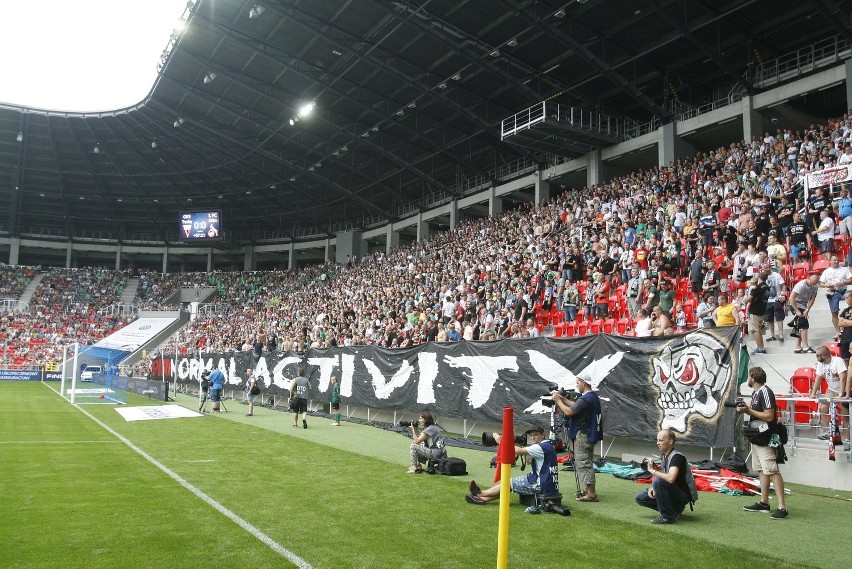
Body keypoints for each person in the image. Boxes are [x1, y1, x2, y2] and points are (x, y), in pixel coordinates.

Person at [738, 366, 788, 520]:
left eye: (748, 376)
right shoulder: (756, 393)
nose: (747, 379)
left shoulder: (765, 392)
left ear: (753, 377)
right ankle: (764, 502)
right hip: (759, 437)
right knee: (761, 469)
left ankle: (782, 507)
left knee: (772, 470)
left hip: (767, 437)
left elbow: (769, 416)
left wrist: (748, 411)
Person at [465, 424, 558, 505]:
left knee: (508, 483)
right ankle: (482, 499)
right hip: (548, 484)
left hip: (540, 484)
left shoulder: (540, 447)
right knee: (510, 485)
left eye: (536, 435)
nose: (533, 437)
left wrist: (500, 441)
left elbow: (518, 451)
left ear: (543, 435)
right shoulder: (547, 445)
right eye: (531, 435)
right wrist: (520, 443)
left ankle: (480, 493)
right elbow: (529, 461)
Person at [550, 373, 602, 501]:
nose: (576, 385)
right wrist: (562, 398)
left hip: (583, 434)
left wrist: (558, 401)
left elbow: (569, 411)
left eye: (578, 383)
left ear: (584, 383)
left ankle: (591, 494)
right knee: (585, 461)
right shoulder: (591, 397)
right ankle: (588, 490)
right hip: (589, 434)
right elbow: (576, 405)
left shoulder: (587, 398)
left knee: (583, 462)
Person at [635, 428, 697, 524]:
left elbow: (671, 479)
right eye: (657, 440)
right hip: (672, 491)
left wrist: (652, 470)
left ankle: (668, 517)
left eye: (661, 440)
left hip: (682, 495)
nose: (657, 443)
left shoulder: (677, 457)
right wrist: (653, 488)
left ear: (670, 441)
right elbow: (664, 475)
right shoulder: (665, 456)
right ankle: (674, 510)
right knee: (640, 498)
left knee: (658, 482)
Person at [811, 346, 847, 439]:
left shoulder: (837, 361)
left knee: (845, 415)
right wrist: (813, 394)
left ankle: (848, 439)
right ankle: (827, 431)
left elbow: (843, 378)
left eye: (817, 356)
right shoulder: (820, 363)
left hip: (844, 389)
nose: (816, 358)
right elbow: (818, 378)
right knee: (823, 407)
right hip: (831, 389)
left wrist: (840, 394)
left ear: (823, 356)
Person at [818, 255, 852, 340]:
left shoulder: (844, 269)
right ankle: (839, 331)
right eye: (834, 260)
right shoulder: (826, 271)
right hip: (833, 292)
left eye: (837, 260)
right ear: (830, 261)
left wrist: (843, 282)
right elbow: (821, 283)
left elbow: (851, 280)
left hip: (844, 291)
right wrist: (827, 285)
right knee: (834, 312)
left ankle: (848, 322)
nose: (836, 262)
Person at [788, 272, 820, 354]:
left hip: (804, 305)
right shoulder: (801, 285)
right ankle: (805, 346)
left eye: (814, 284)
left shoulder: (815, 287)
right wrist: (797, 310)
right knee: (803, 323)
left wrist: (807, 310)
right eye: (812, 283)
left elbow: (812, 299)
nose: (812, 285)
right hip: (795, 304)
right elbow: (791, 298)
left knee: (799, 324)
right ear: (809, 279)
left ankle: (797, 347)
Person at [745, 271, 770, 355]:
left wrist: (744, 301)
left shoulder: (756, 288)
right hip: (762, 309)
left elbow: (749, 298)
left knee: (756, 330)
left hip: (755, 310)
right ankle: (760, 347)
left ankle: (760, 348)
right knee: (758, 329)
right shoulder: (766, 286)